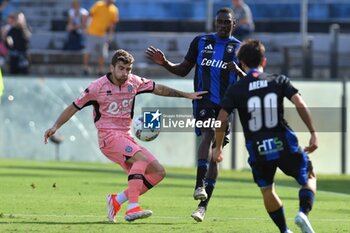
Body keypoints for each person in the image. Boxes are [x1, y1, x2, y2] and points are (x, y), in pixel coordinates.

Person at [44, 49, 207, 222]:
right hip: (108, 137)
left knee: (158, 172)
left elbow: (158, 88)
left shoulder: (134, 82)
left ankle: (116, 201)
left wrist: (186, 95)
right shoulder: (96, 87)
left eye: (128, 69)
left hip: (126, 136)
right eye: (121, 68)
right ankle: (132, 208)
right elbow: (73, 107)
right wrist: (55, 126)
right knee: (141, 160)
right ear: (112, 67)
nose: (125, 73)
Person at [146, 7, 246, 222]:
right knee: (208, 134)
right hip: (204, 98)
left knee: (216, 155)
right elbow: (183, 69)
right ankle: (199, 185)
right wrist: (165, 63)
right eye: (219, 21)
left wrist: (238, 72)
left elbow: (250, 80)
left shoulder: (239, 49)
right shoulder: (200, 42)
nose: (222, 25)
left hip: (227, 105)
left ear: (233, 24)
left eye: (226, 22)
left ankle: (202, 206)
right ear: (214, 23)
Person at [213, 39, 317, 233]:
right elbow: (300, 103)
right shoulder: (278, 80)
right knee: (309, 175)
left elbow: (221, 119)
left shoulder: (236, 89)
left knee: (267, 189)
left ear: (241, 63)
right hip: (283, 142)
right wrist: (313, 133)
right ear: (264, 60)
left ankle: (284, 230)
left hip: (258, 148)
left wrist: (218, 147)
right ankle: (303, 213)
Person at [83, 0, 119, 75]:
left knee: (102, 54)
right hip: (92, 32)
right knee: (88, 51)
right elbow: (90, 15)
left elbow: (112, 24)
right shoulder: (98, 5)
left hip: (103, 34)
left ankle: (100, 70)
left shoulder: (114, 9)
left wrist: (110, 34)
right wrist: (86, 28)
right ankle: (85, 68)